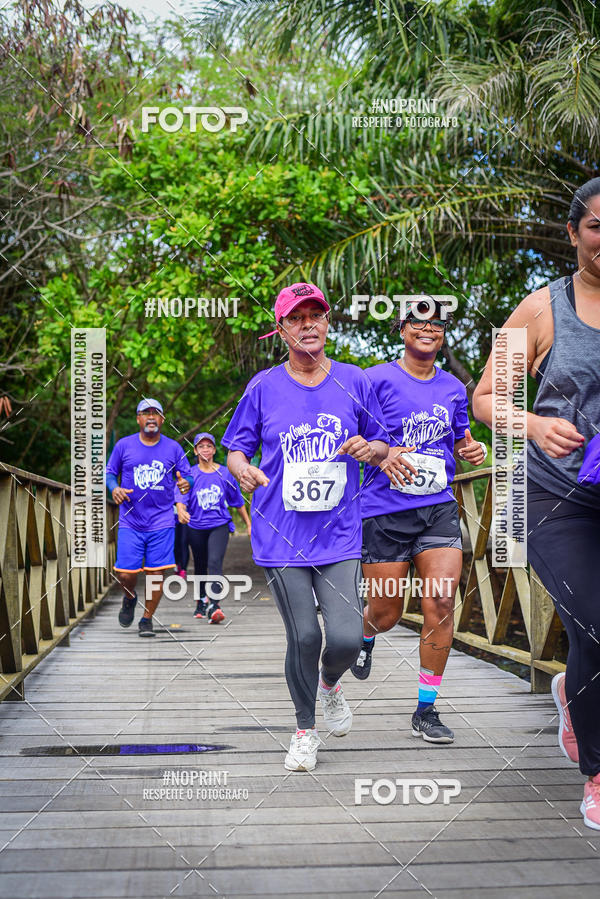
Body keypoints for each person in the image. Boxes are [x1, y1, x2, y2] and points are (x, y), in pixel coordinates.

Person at [473, 177, 600, 830]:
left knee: (589, 633)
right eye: (597, 227)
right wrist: (533, 425)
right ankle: (598, 776)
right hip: (556, 498)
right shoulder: (544, 309)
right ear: (575, 232)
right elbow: (487, 397)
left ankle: (571, 697)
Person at [223, 282, 388, 771]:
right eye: (297, 318)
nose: (308, 324)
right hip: (280, 535)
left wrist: (370, 449)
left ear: (328, 324)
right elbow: (236, 447)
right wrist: (240, 469)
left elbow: (383, 445)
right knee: (304, 638)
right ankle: (304, 730)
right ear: (281, 330)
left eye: (316, 315)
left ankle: (330, 684)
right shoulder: (263, 386)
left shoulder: (355, 381)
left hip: (339, 534)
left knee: (344, 638)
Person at [353, 299, 486, 745]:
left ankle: (426, 710)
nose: (428, 329)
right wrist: (383, 452)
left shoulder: (452, 387)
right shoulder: (374, 380)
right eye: (418, 323)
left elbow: (462, 438)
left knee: (441, 605)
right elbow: (347, 436)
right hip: (385, 510)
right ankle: (366, 635)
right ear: (403, 329)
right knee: (387, 614)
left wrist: (474, 450)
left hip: (438, 508)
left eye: (437, 324)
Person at [106, 398, 194, 637]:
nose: (152, 416)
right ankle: (130, 597)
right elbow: (110, 473)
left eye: (156, 413)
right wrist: (114, 488)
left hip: (162, 520)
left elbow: (187, 476)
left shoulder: (173, 448)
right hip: (131, 520)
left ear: (162, 420)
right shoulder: (124, 445)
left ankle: (147, 619)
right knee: (125, 573)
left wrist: (187, 483)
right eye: (146, 412)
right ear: (138, 419)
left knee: (156, 573)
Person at [175, 432, 251, 623]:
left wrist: (249, 524)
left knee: (215, 562)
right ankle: (201, 601)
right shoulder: (190, 474)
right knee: (200, 564)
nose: (205, 449)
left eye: (209, 446)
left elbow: (237, 501)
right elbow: (181, 496)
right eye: (201, 446)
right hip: (196, 526)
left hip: (219, 525)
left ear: (214, 450)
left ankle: (214, 604)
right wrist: (181, 510)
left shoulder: (225, 473)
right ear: (195, 451)